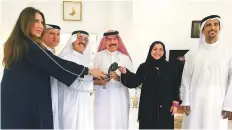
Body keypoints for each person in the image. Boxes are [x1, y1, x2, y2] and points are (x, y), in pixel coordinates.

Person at [1, 7, 106, 129]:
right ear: (26, 22)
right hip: (24, 102)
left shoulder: (21, 44)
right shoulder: (29, 45)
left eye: (42, 22)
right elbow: (57, 65)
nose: (40, 25)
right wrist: (89, 71)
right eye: (36, 21)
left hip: (20, 100)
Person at [181, 15, 232, 129]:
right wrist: (186, 100)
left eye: (215, 24)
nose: (212, 27)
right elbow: (186, 78)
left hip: (218, 104)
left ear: (219, 28)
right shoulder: (192, 53)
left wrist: (229, 105)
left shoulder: (228, 52)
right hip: (195, 103)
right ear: (203, 30)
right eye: (208, 25)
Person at [118, 41, 180, 129]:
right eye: (155, 49)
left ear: (164, 52)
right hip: (148, 106)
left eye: (160, 50)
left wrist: (175, 103)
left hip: (166, 106)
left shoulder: (170, 67)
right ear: (150, 51)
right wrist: (125, 73)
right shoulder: (144, 67)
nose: (157, 52)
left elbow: (175, 85)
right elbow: (135, 81)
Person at [93, 30, 133, 129]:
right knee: (102, 122)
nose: (112, 42)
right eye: (109, 40)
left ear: (118, 41)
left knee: (120, 123)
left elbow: (132, 80)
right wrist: (100, 80)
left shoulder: (125, 58)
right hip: (102, 98)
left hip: (120, 99)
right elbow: (90, 76)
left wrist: (119, 78)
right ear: (104, 42)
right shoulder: (98, 56)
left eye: (114, 39)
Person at [55, 30, 93, 130]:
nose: (83, 41)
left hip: (83, 102)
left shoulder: (86, 60)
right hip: (69, 101)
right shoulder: (66, 58)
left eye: (86, 39)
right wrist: (94, 84)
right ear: (72, 40)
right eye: (80, 38)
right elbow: (72, 83)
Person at [41, 24, 61, 129]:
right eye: (51, 33)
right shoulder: (41, 51)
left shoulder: (53, 52)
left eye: (58, 34)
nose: (55, 37)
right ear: (42, 34)